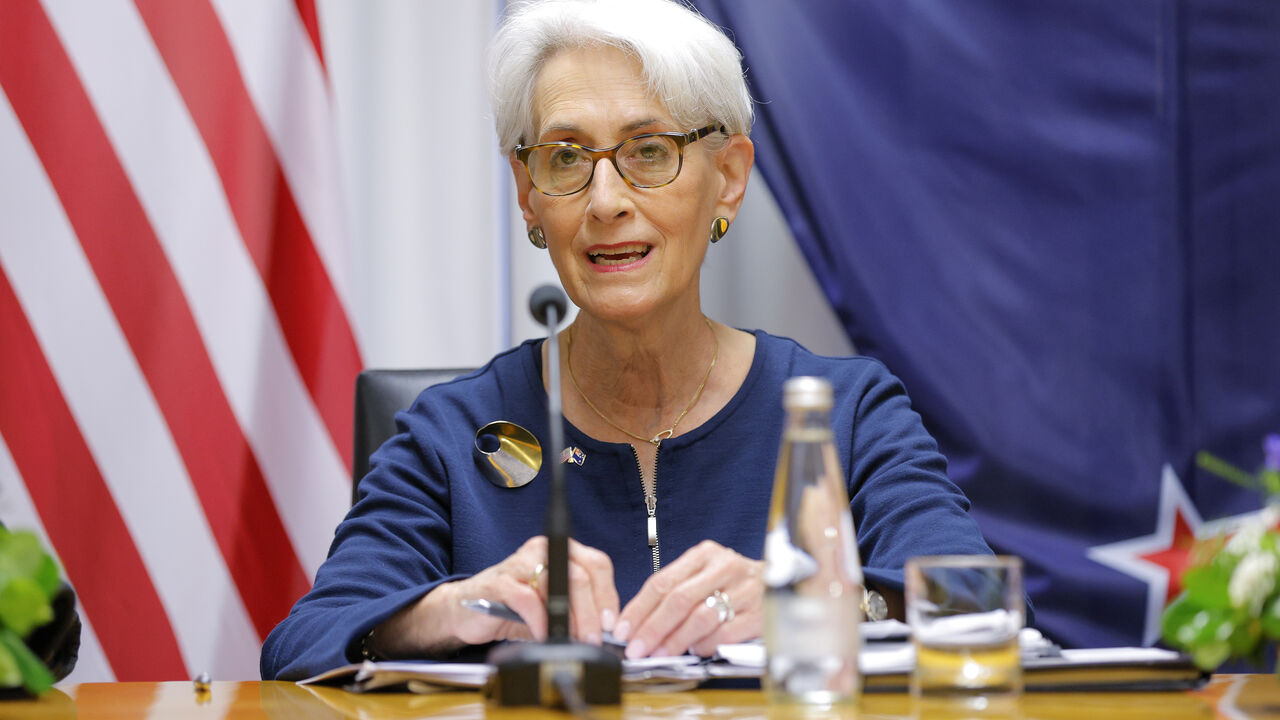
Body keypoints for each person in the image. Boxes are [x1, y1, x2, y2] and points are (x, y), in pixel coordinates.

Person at [261, 0, 993, 681]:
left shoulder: (843, 412)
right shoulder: (452, 433)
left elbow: (974, 605)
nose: (606, 202)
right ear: (529, 196)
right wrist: (459, 609)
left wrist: (820, 605)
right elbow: (304, 644)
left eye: (649, 151)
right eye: (566, 158)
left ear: (729, 179)